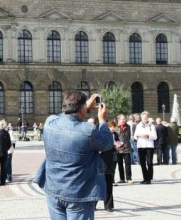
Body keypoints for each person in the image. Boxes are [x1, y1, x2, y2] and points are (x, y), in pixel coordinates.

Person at [39, 92, 114, 220]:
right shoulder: (88, 130)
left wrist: (83, 107)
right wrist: (102, 120)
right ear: (81, 109)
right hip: (78, 192)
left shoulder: (49, 123)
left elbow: (63, 118)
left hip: (54, 189)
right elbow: (107, 143)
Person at [100, 121, 121, 212]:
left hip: (110, 160)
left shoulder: (114, 134)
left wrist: (117, 147)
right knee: (99, 184)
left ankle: (108, 205)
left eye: (113, 127)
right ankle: (93, 204)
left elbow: (117, 144)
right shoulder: (101, 135)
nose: (112, 129)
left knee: (109, 183)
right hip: (101, 161)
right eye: (110, 127)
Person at [134, 111, 157, 184]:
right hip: (141, 145)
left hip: (149, 145)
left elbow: (155, 137)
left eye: (146, 117)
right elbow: (135, 136)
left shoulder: (151, 126)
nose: (145, 119)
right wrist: (137, 136)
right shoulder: (138, 125)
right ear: (141, 118)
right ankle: (145, 177)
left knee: (149, 162)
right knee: (142, 162)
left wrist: (148, 136)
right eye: (143, 118)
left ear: (148, 118)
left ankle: (149, 178)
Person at [115, 114, 132, 183]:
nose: (124, 120)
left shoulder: (128, 127)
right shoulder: (116, 127)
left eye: (125, 119)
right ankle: (122, 178)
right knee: (120, 164)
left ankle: (128, 178)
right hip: (118, 149)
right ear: (119, 120)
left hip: (127, 148)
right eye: (123, 119)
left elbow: (129, 137)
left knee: (128, 164)